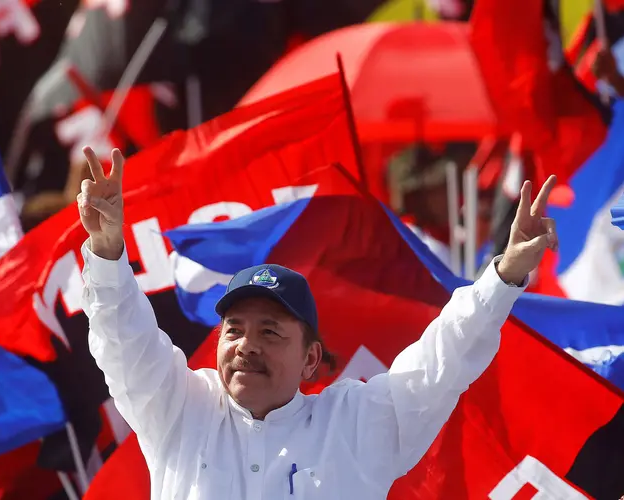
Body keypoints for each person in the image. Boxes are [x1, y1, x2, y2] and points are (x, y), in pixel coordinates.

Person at [78, 147, 558, 498]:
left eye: (270, 331)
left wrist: (505, 275)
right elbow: (125, 340)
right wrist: (106, 252)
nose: (247, 345)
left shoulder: (356, 423)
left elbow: (443, 360)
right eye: (234, 329)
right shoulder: (180, 410)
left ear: (310, 359)